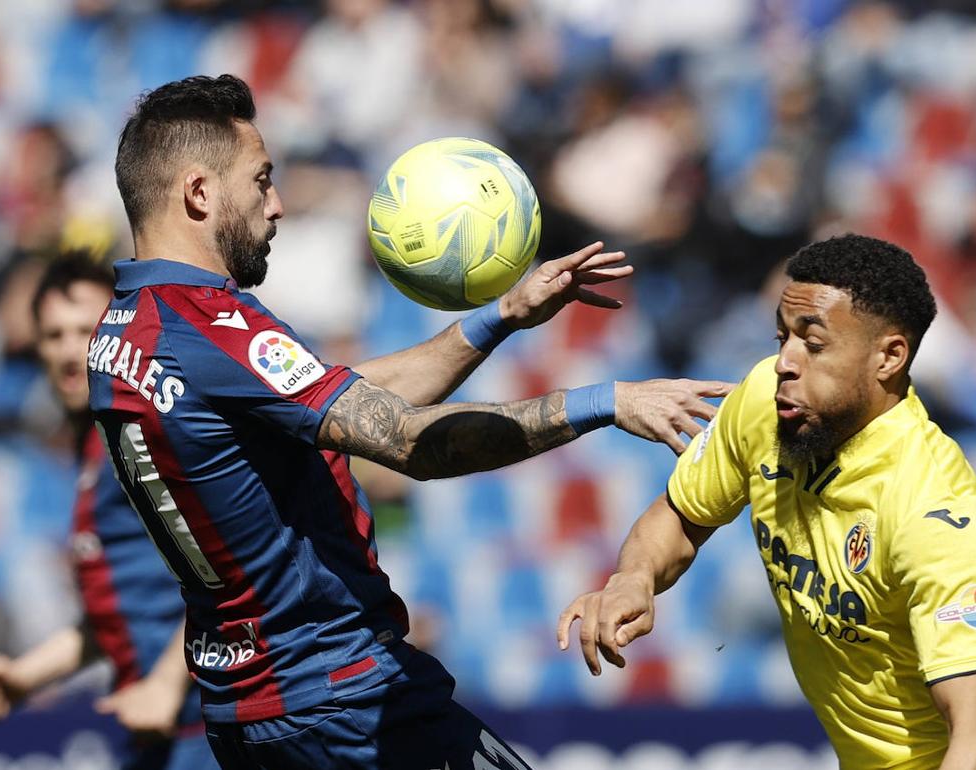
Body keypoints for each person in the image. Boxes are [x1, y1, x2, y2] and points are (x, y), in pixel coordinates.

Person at [88, 73, 729, 769]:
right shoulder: (212, 324)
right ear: (199, 193)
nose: (276, 205)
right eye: (261, 179)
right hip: (345, 701)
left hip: (253, 706)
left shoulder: (126, 329)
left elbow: (347, 400)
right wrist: (607, 401)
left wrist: (500, 318)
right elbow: (408, 442)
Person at [558, 234, 976, 770]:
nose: (783, 363)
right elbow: (681, 515)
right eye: (781, 337)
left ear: (889, 356)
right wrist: (634, 577)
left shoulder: (934, 509)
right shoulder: (766, 405)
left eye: (813, 345)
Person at [0, 252, 215, 770]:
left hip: (207, 725)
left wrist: (166, 685)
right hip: (158, 729)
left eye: (87, 329)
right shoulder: (91, 448)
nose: (70, 351)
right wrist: (22, 677)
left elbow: (231, 567)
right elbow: (114, 619)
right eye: (54, 335)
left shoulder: (146, 433)